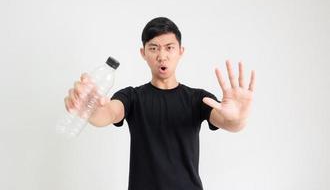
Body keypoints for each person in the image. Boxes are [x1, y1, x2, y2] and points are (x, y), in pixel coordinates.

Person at [64, 17, 256, 190]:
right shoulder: (132, 97)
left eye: (169, 48)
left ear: (181, 52)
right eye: (154, 48)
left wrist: (239, 118)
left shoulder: (198, 99)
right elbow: (107, 114)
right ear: (143, 53)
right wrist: (89, 109)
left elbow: (229, 121)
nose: (162, 56)